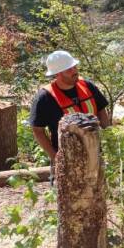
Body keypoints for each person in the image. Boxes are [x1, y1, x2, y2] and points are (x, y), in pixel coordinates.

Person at [29, 50, 110, 183]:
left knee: (97, 195)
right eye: (69, 69)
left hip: (95, 152)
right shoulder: (45, 98)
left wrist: (109, 136)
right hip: (66, 157)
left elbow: (101, 110)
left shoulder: (87, 86)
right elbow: (38, 131)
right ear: (58, 74)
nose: (75, 71)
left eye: (74, 67)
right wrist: (55, 157)